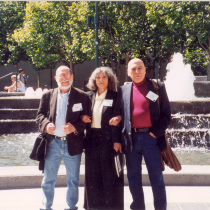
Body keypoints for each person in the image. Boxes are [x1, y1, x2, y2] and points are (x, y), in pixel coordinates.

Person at [116, 58, 171, 210]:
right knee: (133, 179)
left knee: (157, 179)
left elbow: (166, 114)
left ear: (145, 69)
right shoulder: (123, 90)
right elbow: (121, 114)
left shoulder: (157, 87)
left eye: (140, 68)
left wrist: (155, 133)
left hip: (151, 139)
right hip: (131, 139)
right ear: (128, 72)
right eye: (133, 69)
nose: (137, 71)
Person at [36, 65, 89, 210]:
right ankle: (46, 207)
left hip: (73, 144)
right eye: (61, 75)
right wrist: (46, 124)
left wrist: (75, 127)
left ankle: (71, 207)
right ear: (56, 78)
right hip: (53, 143)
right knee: (48, 179)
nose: (64, 78)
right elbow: (39, 116)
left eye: (66, 75)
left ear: (72, 77)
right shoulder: (47, 95)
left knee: (73, 180)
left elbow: (87, 120)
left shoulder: (82, 96)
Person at [81, 66, 124, 210]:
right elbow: (80, 114)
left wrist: (117, 140)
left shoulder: (116, 96)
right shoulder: (88, 96)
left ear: (109, 79)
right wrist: (82, 117)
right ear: (94, 80)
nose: (101, 80)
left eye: (104, 77)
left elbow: (121, 116)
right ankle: (93, 206)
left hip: (109, 139)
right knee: (93, 175)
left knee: (111, 174)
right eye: (98, 77)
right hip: (92, 139)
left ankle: (112, 207)